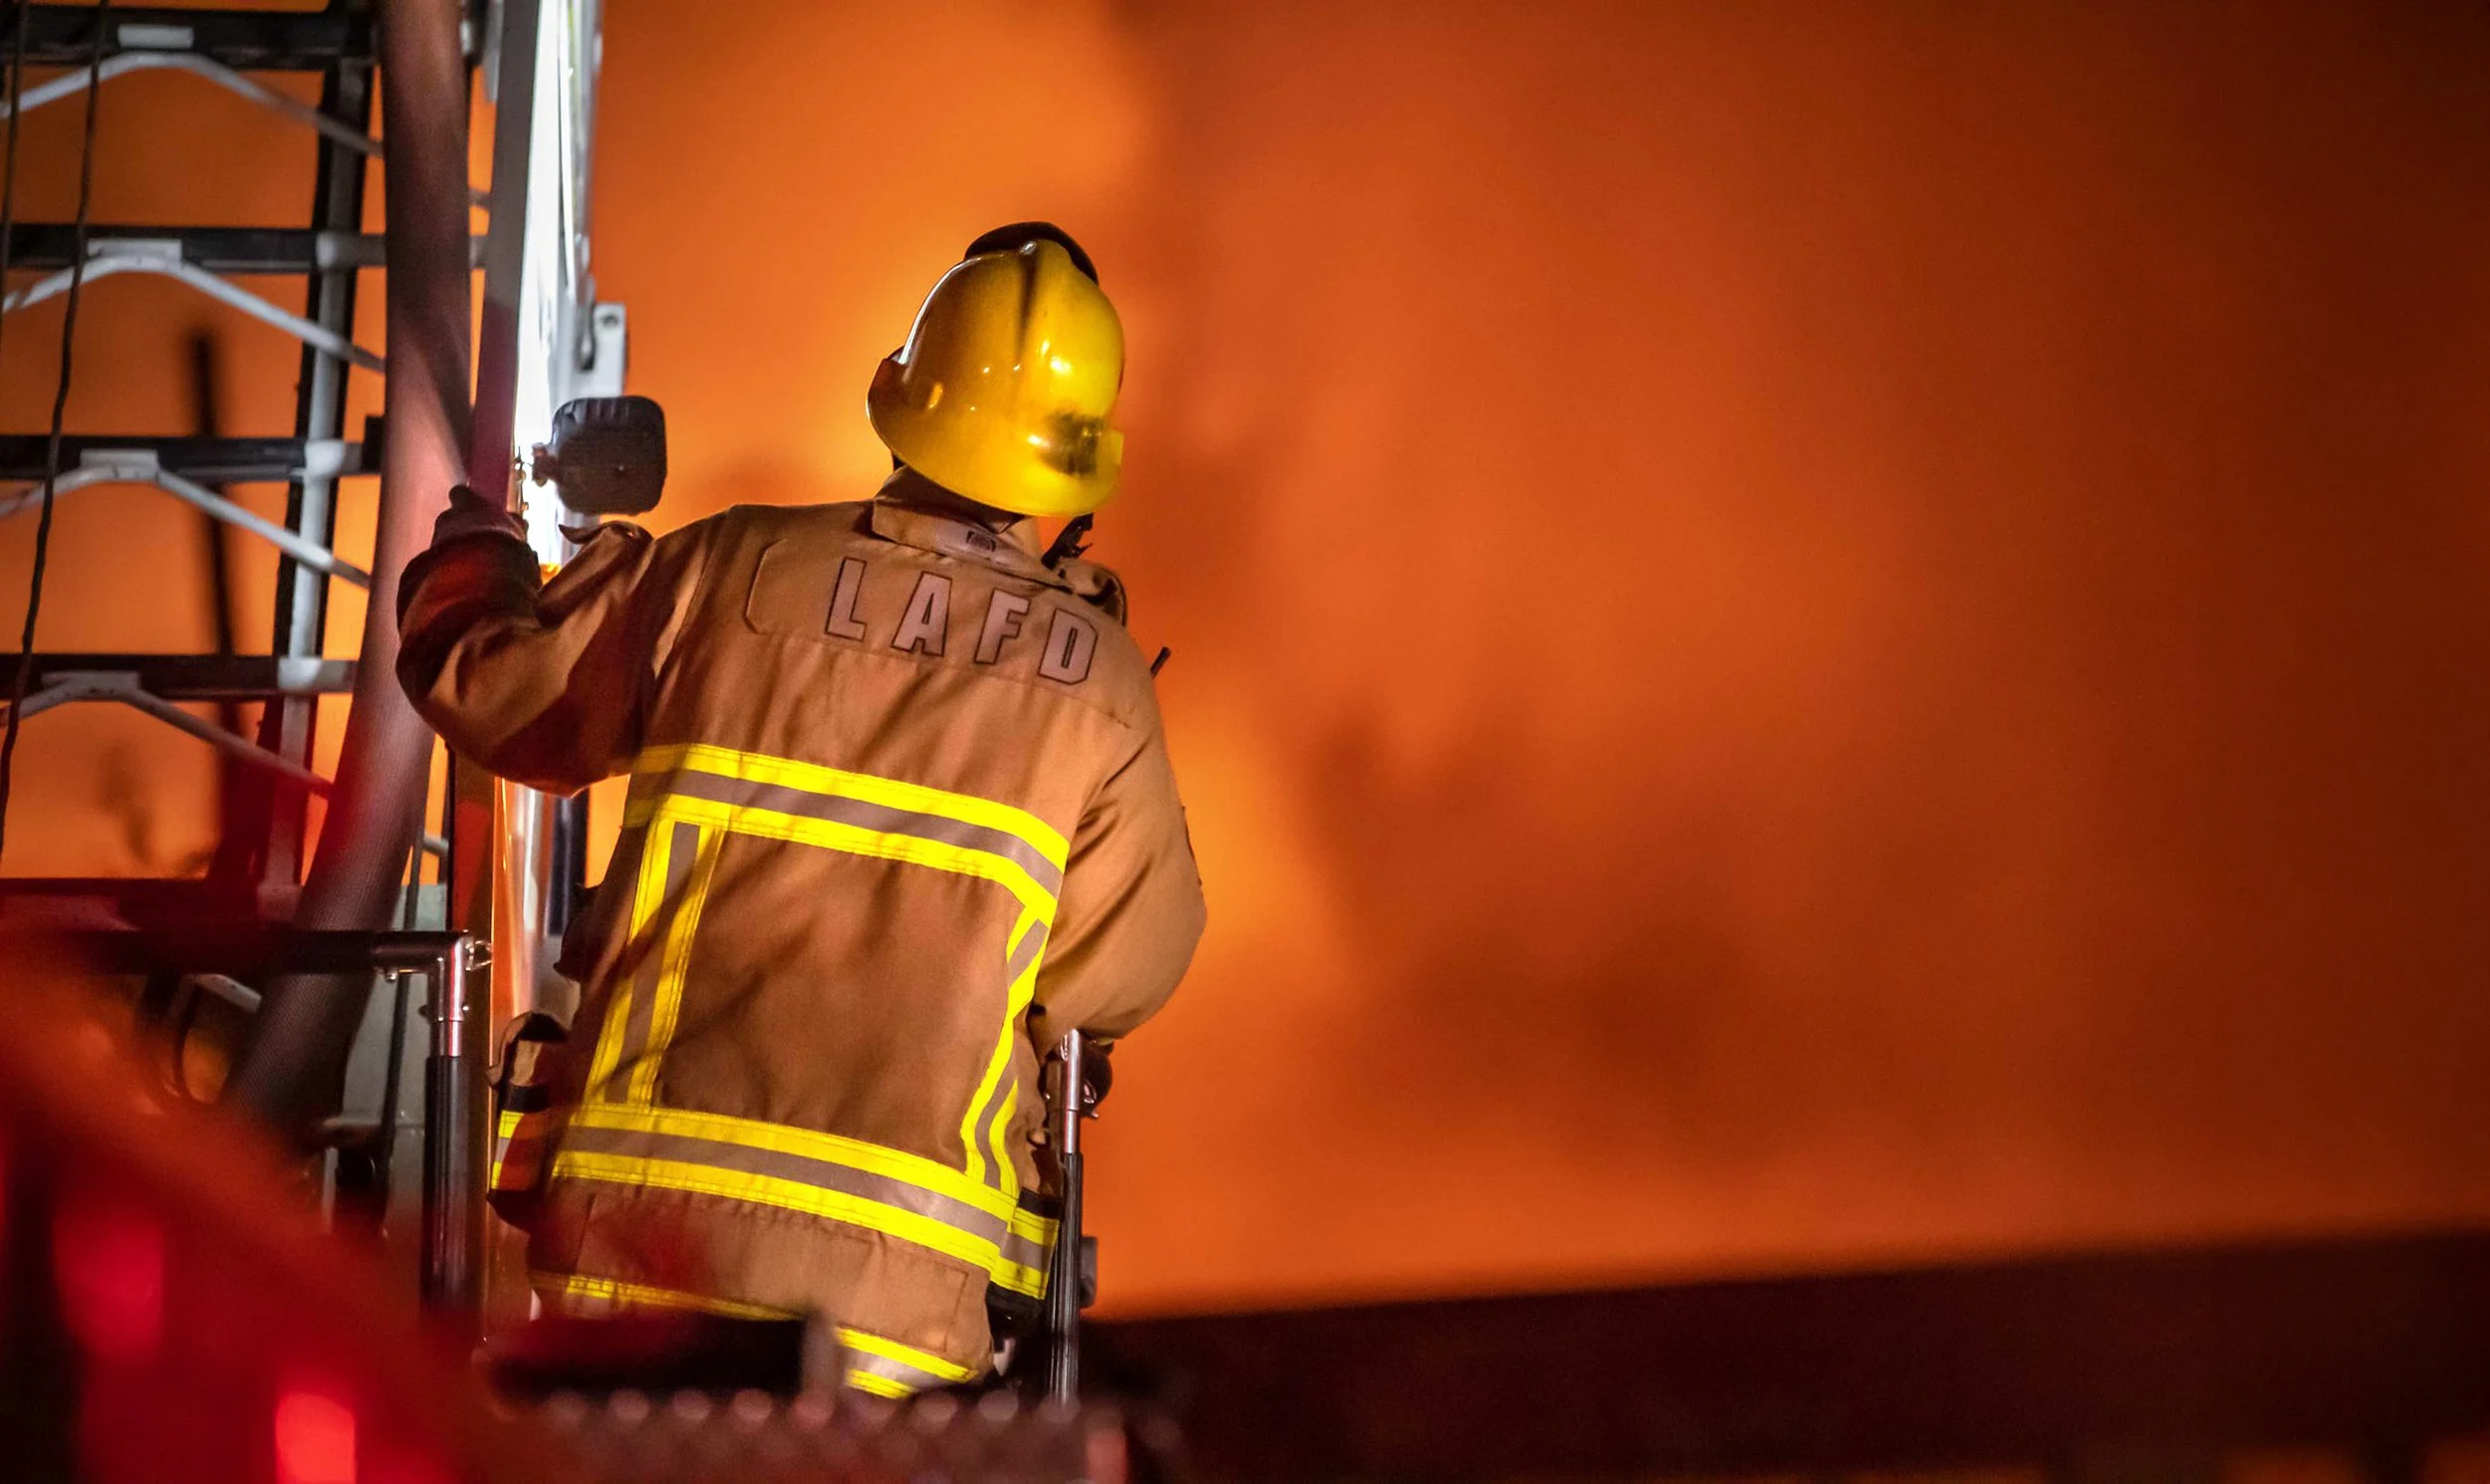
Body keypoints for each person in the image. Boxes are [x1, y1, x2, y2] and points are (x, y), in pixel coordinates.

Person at [395, 223, 1205, 1396]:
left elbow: (497, 692)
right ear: (1076, 459)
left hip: (638, 1275)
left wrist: (478, 556)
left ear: (907, 395)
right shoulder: (1102, 690)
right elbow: (1122, 975)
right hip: (892, 1334)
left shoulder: (727, 569)